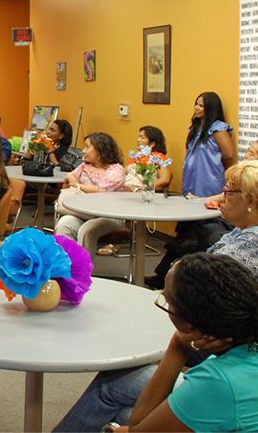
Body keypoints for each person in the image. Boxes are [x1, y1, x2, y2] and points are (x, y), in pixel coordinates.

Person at [53, 161, 258, 432]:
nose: (221, 195)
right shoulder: (239, 234)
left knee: (115, 387)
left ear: (251, 201)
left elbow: (195, 283)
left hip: (213, 350)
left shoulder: (218, 382)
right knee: (121, 412)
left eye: (229, 191)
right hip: (225, 346)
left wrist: (177, 345)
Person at [53, 253, 258, 432]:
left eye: (166, 300)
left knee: (121, 417)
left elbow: (138, 427)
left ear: (193, 329)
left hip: (222, 396)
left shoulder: (216, 382)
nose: (163, 300)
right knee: (116, 387)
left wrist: (178, 345)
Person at [146, 94, 236, 288]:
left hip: (209, 183)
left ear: (210, 108)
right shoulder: (196, 128)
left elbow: (228, 154)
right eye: (195, 103)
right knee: (187, 229)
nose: (196, 108)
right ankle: (166, 273)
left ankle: (167, 275)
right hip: (192, 184)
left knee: (194, 230)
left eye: (201, 105)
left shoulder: (218, 128)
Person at [55, 132, 125, 256]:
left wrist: (77, 185)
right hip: (82, 212)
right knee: (64, 224)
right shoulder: (84, 166)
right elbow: (69, 177)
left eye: (87, 147)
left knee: (87, 230)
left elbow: (102, 190)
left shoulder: (116, 170)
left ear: (100, 150)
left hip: (108, 215)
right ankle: (65, 266)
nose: (83, 151)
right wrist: (75, 182)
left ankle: (83, 270)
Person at [124, 126, 173, 192]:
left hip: (138, 193)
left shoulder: (157, 159)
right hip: (124, 190)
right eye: (139, 137)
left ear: (152, 144)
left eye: (142, 138)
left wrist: (143, 188)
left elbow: (165, 179)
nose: (138, 140)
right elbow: (121, 173)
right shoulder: (137, 158)